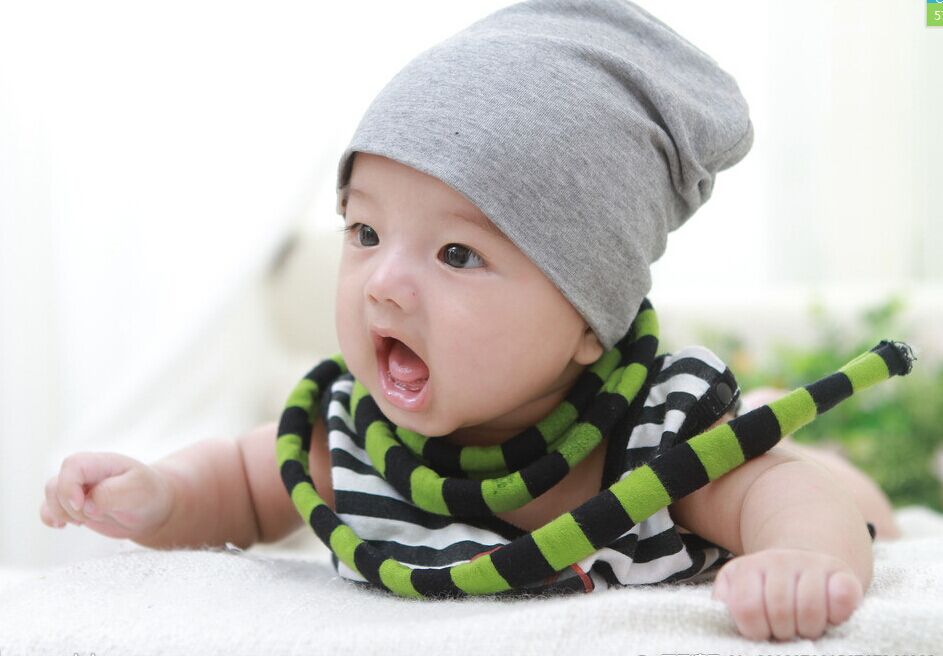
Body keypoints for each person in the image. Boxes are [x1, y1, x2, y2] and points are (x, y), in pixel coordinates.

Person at [40, 0, 902, 642]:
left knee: (804, 474)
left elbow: (789, 501)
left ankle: (818, 448)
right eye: (365, 232)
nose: (383, 285)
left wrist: (803, 556)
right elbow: (235, 483)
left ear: (587, 321)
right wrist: (158, 497)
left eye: (456, 254)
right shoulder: (357, 436)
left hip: (792, 479)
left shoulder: (658, 442)